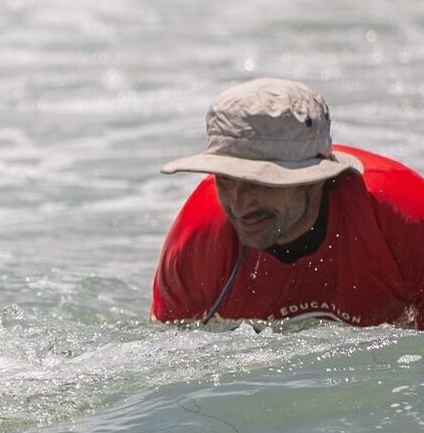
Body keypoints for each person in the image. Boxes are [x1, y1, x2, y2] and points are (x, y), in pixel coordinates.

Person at [152, 77, 424, 328]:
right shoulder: (198, 238)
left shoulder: (406, 219)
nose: (239, 206)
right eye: (225, 178)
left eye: (260, 182)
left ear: (316, 178)